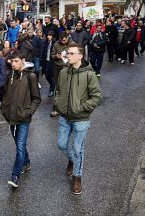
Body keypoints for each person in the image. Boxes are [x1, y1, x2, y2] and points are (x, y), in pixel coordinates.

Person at [54, 43, 103, 195]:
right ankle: (72, 161)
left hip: (81, 119)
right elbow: (58, 90)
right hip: (64, 116)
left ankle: (77, 177)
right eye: (67, 53)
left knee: (77, 149)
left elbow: (97, 96)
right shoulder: (63, 72)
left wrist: (81, 108)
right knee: (61, 144)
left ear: (80, 56)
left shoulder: (89, 74)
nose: (68, 55)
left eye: (71, 53)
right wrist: (59, 103)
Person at [1, 50, 41, 188]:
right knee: (20, 145)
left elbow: (36, 98)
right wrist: (4, 109)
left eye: (16, 61)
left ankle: (15, 175)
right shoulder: (9, 75)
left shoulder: (31, 76)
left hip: (23, 118)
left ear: (23, 60)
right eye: (12, 61)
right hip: (11, 116)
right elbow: (5, 94)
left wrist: (28, 112)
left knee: (20, 147)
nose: (13, 64)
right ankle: (26, 161)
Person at [50, 32, 73, 117]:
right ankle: (56, 109)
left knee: (69, 88)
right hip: (58, 68)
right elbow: (52, 55)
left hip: (68, 68)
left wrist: (70, 57)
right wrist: (56, 56)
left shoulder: (73, 44)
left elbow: (78, 56)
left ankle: (69, 108)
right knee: (58, 88)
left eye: (64, 40)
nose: (63, 41)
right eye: (61, 40)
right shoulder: (56, 44)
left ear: (68, 37)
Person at [42, 31, 56, 97]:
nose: (48, 37)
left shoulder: (55, 43)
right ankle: (52, 85)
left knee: (52, 76)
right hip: (46, 60)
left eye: (50, 35)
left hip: (52, 61)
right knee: (47, 75)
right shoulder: (45, 43)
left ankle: (52, 89)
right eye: (48, 35)